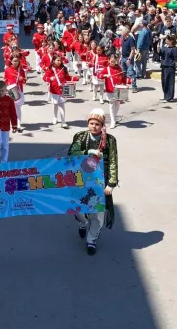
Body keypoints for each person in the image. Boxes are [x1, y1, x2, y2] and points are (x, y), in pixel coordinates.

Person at [68, 108, 118, 255]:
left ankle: (91, 240)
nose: (94, 126)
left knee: (98, 215)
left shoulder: (109, 140)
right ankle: (82, 223)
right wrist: (87, 153)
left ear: (102, 125)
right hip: (80, 180)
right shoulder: (80, 136)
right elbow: (71, 154)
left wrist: (111, 184)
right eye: (91, 123)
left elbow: (113, 161)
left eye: (97, 123)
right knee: (78, 210)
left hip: (100, 183)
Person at [44, 56, 78, 128]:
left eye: (60, 60)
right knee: (55, 104)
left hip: (63, 89)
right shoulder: (50, 69)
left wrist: (75, 78)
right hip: (54, 90)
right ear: (53, 61)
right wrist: (50, 78)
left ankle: (63, 121)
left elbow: (68, 78)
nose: (59, 61)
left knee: (62, 104)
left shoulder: (64, 68)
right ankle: (55, 117)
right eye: (57, 60)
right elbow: (45, 77)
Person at [98, 55, 130, 128]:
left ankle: (114, 117)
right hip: (110, 89)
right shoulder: (107, 69)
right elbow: (99, 75)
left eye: (114, 61)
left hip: (118, 90)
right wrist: (105, 75)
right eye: (111, 61)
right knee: (111, 105)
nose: (112, 63)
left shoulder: (119, 68)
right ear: (109, 60)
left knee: (118, 104)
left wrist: (128, 81)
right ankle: (113, 121)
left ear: (116, 61)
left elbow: (122, 78)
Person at [4, 56, 27, 132]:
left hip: (18, 90)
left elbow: (24, 82)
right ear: (11, 62)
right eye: (14, 61)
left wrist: (21, 80)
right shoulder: (7, 70)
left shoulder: (21, 70)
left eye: (17, 61)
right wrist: (7, 85)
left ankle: (19, 123)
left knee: (18, 107)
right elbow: (5, 79)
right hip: (10, 91)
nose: (15, 62)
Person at [160, 35, 177, 102]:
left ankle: (169, 97)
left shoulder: (175, 49)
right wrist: (158, 48)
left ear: (171, 41)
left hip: (170, 66)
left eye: (168, 40)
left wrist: (174, 66)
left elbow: (176, 59)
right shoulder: (165, 47)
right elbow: (161, 54)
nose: (166, 41)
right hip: (164, 65)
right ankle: (165, 95)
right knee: (164, 81)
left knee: (169, 82)